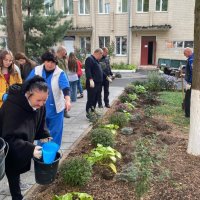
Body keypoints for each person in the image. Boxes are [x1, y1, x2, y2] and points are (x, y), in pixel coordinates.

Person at [0, 76, 51, 200]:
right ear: (28, 94)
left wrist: (44, 134)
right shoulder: (12, 107)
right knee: (12, 168)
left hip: (22, 141)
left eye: (45, 100)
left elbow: (40, 120)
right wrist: (29, 149)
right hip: (6, 144)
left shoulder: (40, 104)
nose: (41, 104)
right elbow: (9, 137)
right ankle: (17, 196)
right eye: (38, 100)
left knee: (17, 166)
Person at [27, 51, 71, 146]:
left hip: (56, 110)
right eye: (48, 61)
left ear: (55, 63)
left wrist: (67, 100)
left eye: (53, 62)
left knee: (56, 133)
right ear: (44, 61)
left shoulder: (60, 73)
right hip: (39, 107)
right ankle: (41, 153)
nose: (50, 64)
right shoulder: (37, 70)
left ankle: (53, 153)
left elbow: (66, 88)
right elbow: (27, 84)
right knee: (41, 132)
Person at [85, 48, 103, 118]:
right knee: (91, 99)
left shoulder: (96, 60)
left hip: (98, 83)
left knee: (95, 98)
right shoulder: (89, 59)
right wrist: (90, 79)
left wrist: (106, 76)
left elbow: (99, 70)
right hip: (92, 83)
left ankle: (93, 111)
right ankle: (88, 113)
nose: (101, 57)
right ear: (98, 53)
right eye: (101, 55)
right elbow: (88, 70)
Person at [56, 46, 70, 118]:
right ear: (61, 51)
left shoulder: (63, 59)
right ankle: (63, 111)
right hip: (58, 80)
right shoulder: (55, 59)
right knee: (61, 96)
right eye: (65, 51)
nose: (66, 52)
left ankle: (65, 111)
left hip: (64, 79)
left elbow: (66, 69)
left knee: (65, 96)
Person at [183, 47, 193, 118]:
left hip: (192, 83)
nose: (184, 55)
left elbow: (194, 72)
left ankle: (188, 114)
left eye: (185, 53)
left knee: (187, 98)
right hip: (191, 82)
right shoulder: (191, 58)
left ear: (189, 52)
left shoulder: (192, 59)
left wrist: (189, 82)